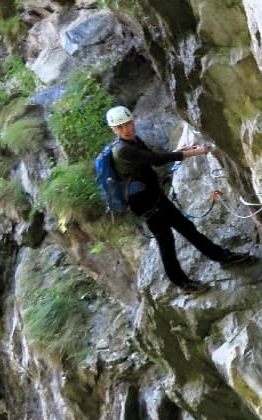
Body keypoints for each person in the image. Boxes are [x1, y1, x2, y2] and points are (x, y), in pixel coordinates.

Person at [105, 105, 254, 292]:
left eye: (128, 124)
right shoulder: (122, 150)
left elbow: (151, 158)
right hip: (145, 203)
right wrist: (192, 153)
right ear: (114, 130)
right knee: (166, 242)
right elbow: (157, 160)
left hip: (154, 196)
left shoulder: (133, 142)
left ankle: (221, 256)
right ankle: (181, 282)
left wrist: (181, 150)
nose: (126, 129)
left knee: (187, 228)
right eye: (120, 127)